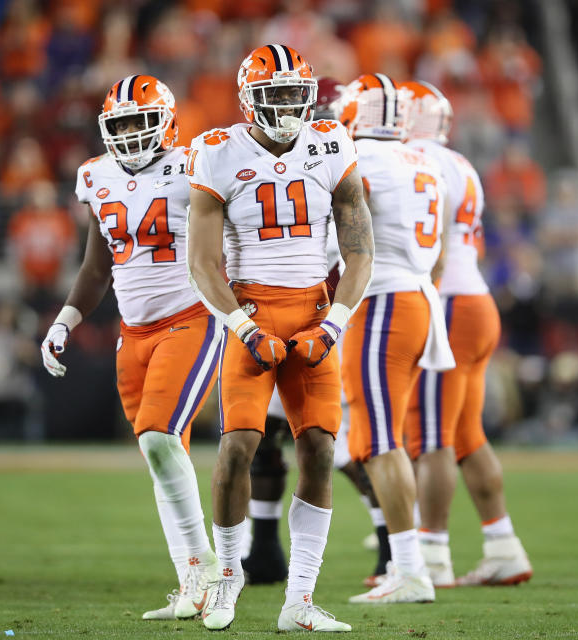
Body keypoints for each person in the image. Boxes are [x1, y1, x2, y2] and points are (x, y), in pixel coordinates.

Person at [187, 45, 373, 632]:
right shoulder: (216, 152)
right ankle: (226, 578)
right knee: (239, 445)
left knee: (319, 447)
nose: (290, 105)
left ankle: (300, 599)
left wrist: (334, 323)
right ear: (249, 100)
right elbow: (201, 263)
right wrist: (243, 327)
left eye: (297, 93)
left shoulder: (331, 142)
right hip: (250, 308)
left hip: (315, 308)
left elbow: (360, 251)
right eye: (277, 95)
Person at [39, 75, 220, 620]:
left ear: (165, 121)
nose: (130, 133)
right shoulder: (95, 175)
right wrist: (65, 320)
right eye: (119, 124)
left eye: (140, 121)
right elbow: (98, 267)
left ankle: (209, 570)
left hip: (191, 318)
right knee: (160, 454)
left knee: (160, 438)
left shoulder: (195, 165)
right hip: (134, 332)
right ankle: (190, 583)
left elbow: (238, 233)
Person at [242, 76, 391, 588]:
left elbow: (354, 251)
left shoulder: (340, 158)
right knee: (263, 437)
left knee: (337, 443)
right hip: (279, 309)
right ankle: (262, 548)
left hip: (327, 312)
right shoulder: (266, 157)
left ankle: (392, 544)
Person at [401, 80, 533, 586]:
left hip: (448, 302)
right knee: (464, 435)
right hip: (476, 301)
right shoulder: (461, 163)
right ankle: (504, 545)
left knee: (432, 436)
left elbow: (423, 244)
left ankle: (431, 557)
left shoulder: (416, 161)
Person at [337, 74, 455, 605]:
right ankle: (407, 565)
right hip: (416, 297)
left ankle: (409, 569)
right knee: (382, 439)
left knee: (380, 442)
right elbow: (444, 251)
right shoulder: (423, 160)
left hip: (382, 302)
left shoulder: (360, 159)